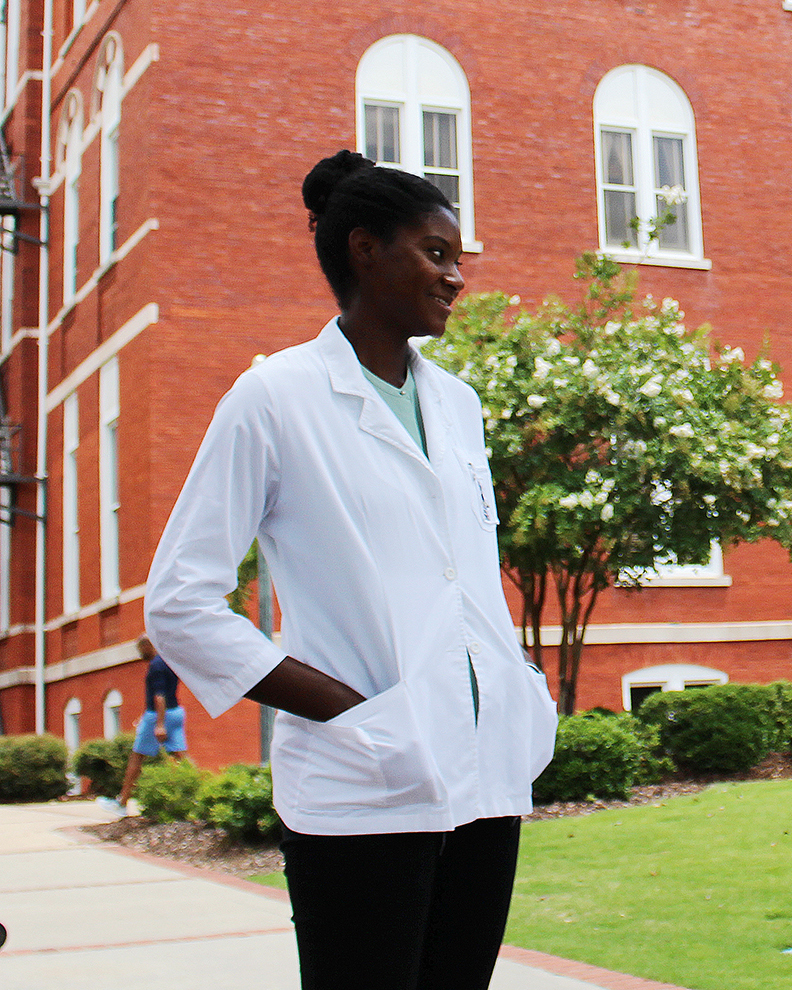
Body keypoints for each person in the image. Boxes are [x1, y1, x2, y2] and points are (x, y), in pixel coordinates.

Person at [146, 150, 557, 990]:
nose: (457, 277)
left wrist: (514, 679)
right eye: (436, 254)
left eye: (458, 258)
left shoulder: (458, 404)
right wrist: (350, 710)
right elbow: (180, 602)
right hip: (364, 782)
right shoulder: (275, 397)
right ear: (365, 249)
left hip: (484, 774)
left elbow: (458, 572)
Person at [100, 637, 192, 815]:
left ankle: (122, 803)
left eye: (140, 648)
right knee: (182, 756)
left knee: (137, 757)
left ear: (148, 645)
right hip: (176, 712)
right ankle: (196, 795)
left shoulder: (156, 666)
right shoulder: (168, 661)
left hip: (158, 716)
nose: (139, 652)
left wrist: (158, 724)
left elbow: (159, 696)